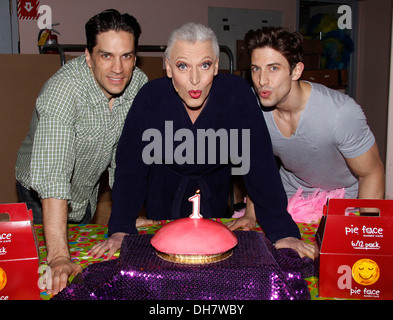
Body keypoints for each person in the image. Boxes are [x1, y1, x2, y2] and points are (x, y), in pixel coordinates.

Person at [89, 22, 315, 261]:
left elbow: (259, 166)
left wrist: (282, 232)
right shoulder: (150, 99)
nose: (195, 79)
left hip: (213, 198)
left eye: (204, 65)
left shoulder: (237, 95)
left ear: (216, 66)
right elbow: (130, 169)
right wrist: (121, 227)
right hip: (162, 196)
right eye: (183, 66)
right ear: (168, 68)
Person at [15, 9, 148, 295]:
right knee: (46, 278)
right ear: (88, 56)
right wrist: (59, 256)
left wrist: (125, 217)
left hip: (85, 190)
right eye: (106, 55)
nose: (118, 68)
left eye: (126, 56)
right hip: (41, 195)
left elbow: (128, 160)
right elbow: (53, 175)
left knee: (83, 274)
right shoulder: (63, 91)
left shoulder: (139, 85)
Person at [243, 27, 384, 216]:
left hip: (343, 203)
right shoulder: (252, 106)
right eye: (256, 69)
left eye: (273, 68)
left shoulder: (340, 113)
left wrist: (367, 232)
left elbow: (371, 172)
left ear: (296, 71)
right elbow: (256, 164)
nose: (261, 80)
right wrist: (251, 213)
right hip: (290, 197)